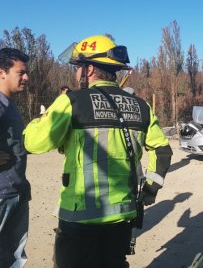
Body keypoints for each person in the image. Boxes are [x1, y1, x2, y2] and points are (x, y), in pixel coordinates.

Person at [23, 35, 172, 268]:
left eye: (78, 68)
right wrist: (151, 189)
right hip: (123, 216)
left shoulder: (70, 101)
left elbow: (33, 143)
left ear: (89, 69)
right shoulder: (141, 106)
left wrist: (45, 116)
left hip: (80, 219)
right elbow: (163, 150)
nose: (75, 74)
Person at [0, 48, 31, 267]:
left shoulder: (9, 103)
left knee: (12, 258)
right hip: (2, 195)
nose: (26, 77)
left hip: (16, 192)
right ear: (2, 72)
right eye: (21, 73)